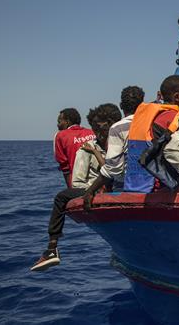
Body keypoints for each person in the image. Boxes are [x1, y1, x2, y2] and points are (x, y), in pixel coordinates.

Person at [31, 104, 122, 271]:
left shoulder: (117, 144)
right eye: (95, 129)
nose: (99, 133)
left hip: (115, 189)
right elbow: (78, 182)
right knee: (61, 196)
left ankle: (52, 247)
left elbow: (111, 171)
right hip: (92, 189)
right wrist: (89, 191)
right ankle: (52, 248)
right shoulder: (85, 149)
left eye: (101, 128)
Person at [99, 86, 145, 190]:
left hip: (125, 184)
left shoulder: (117, 127)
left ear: (121, 105)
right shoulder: (151, 123)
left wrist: (91, 190)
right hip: (149, 183)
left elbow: (114, 167)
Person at [53, 108, 96, 188]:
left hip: (79, 184)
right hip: (99, 183)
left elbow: (65, 167)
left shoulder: (60, 136)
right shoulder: (92, 132)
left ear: (67, 122)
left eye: (59, 122)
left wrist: (71, 189)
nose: (58, 125)